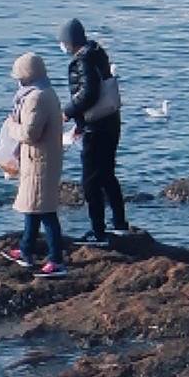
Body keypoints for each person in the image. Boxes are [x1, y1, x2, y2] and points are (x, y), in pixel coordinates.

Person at [0, 51, 67, 273]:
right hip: (40, 159)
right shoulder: (46, 92)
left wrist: (11, 126)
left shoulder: (36, 97)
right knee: (33, 207)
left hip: (39, 161)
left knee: (45, 212)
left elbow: (29, 134)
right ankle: (26, 249)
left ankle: (56, 260)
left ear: (26, 76)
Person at [58, 18, 128, 241]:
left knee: (90, 181)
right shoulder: (97, 52)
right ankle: (119, 224)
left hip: (96, 127)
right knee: (107, 174)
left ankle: (98, 232)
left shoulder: (84, 60)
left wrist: (67, 112)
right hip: (110, 119)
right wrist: (79, 123)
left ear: (69, 42)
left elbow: (89, 94)